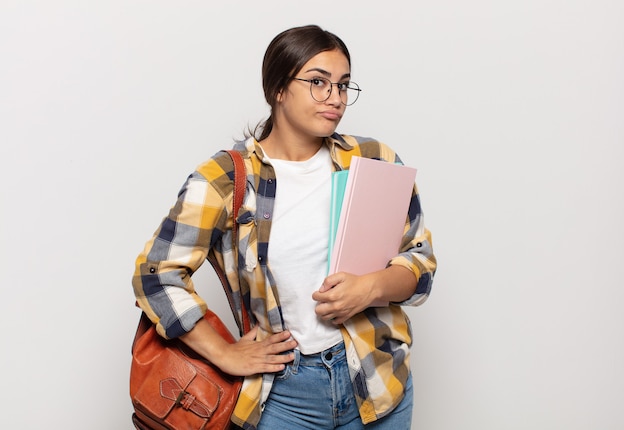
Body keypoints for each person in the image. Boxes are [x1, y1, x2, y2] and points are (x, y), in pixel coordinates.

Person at [132, 24, 436, 429]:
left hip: (378, 382)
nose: (336, 99)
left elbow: (420, 263)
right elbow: (155, 276)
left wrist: (371, 287)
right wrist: (223, 353)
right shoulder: (225, 178)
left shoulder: (373, 160)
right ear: (278, 88)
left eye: (343, 86)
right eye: (318, 82)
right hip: (284, 397)